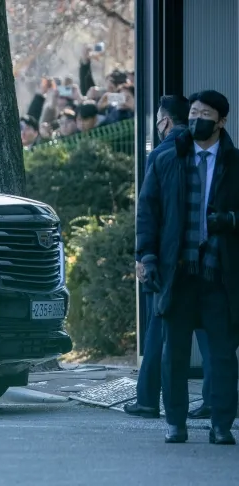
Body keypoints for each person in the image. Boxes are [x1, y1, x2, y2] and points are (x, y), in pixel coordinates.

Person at [136, 89, 239, 444]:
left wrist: (230, 219)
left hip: (219, 275)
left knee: (224, 354)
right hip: (177, 272)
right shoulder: (168, 159)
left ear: (221, 121)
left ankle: (221, 425)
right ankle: (175, 422)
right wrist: (145, 256)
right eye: (193, 112)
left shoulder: (234, 164)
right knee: (174, 352)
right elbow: (148, 211)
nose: (197, 119)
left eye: (205, 113)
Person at [126, 95, 212, 419]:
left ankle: (148, 399)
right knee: (207, 333)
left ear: (164, 122)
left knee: (159, 330)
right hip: (204, 258)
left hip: (167, 259)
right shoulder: (205, 153)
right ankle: (214, 399)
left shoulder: (161, 155)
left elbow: (150, 211)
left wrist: (145, 256)